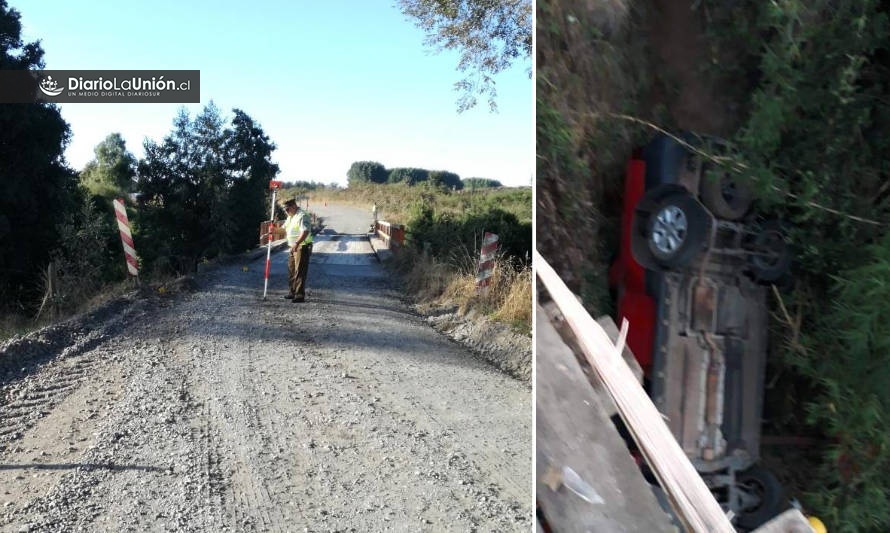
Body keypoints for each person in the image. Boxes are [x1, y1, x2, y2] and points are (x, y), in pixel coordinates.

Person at [282, 198, 313, 302]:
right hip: (293, 246)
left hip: (302, 246)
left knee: (299, 271)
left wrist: (297, 243)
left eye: (287, 209)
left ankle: (299, 295)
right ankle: (292, 292)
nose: (286, 212)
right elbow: (284, 229)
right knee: (291, 270)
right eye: (285, 210)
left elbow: (305, 231)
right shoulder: (291, 216)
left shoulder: (301, 216)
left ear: (294, 206)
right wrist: (273, 231)